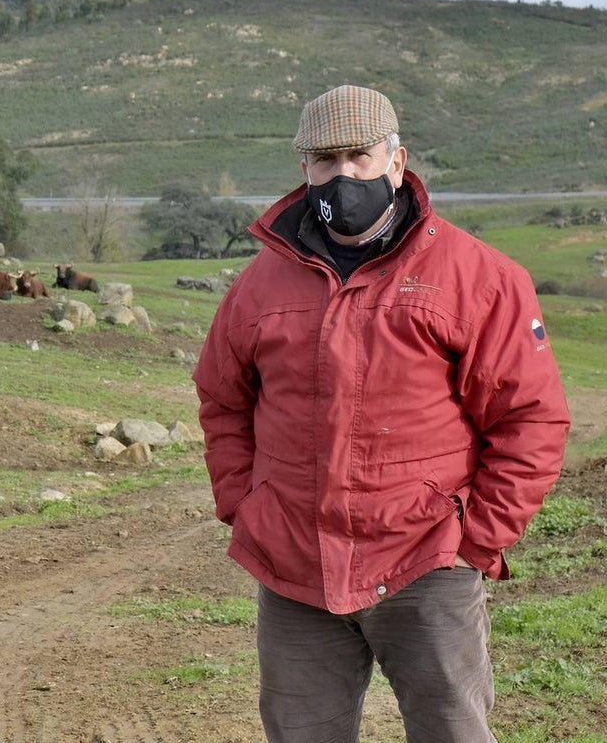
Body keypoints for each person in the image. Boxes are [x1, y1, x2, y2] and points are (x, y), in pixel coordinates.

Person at [193, 85, 570, 742]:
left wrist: (475, 540)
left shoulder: (477, 275)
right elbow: (223, 401)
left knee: (452, 732)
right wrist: (244, 504)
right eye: (325, 159)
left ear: (397, 163)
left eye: (360, 156)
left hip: (427, 563)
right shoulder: (260, 284)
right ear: (304, 170)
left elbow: (531, 421)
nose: (344, 175)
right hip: (296, 569)